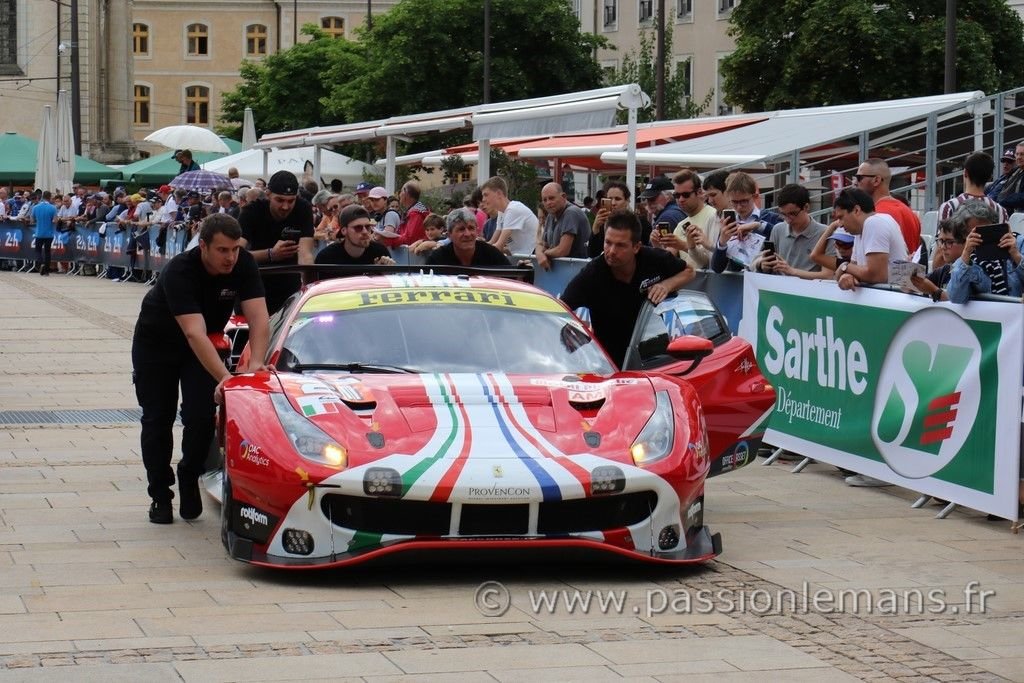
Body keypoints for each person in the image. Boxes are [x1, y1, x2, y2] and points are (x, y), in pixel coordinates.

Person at [131, 213, 270, 524]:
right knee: (157, 419)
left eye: (234, 249)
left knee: (202, 417)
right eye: (222, 250)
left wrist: (257, 362)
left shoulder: (244, 263)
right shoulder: (180, 270)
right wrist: (225, 377)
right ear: (203, 246)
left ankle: (189, 472)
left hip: (204, 344)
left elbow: (259, 318)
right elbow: (193, 332)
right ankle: (160, 495)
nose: (230, 258)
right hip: (157, 345)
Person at [561, 209, 694, 367]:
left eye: (620, 245)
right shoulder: (592, 274)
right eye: (608, 242)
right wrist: (580, 328)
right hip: (611, 363)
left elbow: (689, 271)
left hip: (654, 354)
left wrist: (667, 285)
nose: (611, 251)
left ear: (636, 247)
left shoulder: (654, 259)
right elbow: (560, 308)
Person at [238, 170, 316, 315]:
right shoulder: (251, 211)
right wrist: (270, 254)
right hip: (254, 283)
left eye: (291, 201)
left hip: (289, 285)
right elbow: (235, 254)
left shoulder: (303, 208)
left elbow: (305, 254)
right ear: (268, 194)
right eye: (279, 200)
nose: (285, 207)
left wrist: (310, 292)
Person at [831, 188, 908, 292]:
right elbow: (855, 269)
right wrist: (849, 274)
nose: (839, 224)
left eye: (841, 217)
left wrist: (844, 267)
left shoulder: (874, 223)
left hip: (894, 295)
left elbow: (877, 275)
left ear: (856, 210)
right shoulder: (860, 230)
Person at [947, 201, 1024, 303]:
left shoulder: (1019, 242)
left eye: (986, 230)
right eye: (975, 233)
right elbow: (956, 298)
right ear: (964, 235)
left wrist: (1016, 255)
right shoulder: (967, 261)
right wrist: (966, 255)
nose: (982, 237)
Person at [752, 184, 831, 277]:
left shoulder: (825, 233)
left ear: (806, 207)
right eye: (783, 214)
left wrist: (793, 271)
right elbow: (759, 263)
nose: (788, 220)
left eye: (793, 214)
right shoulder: (778, 229)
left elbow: (828, 275)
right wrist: (764, 265)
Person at [853, 158, 922, 258]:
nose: (855, 182)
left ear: (876, 180)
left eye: (859, 178)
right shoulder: (909, 212)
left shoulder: (875, 216)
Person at [651, 169, 719, 268]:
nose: (681, 199)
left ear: (699, 192)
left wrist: (683, 245)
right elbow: (667, 259)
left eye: (686, 195)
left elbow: (710, 261)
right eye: (677, 195)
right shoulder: (681, 225)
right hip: (689, 277)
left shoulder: (713, 216)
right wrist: (657, 245)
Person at [426, 208, 510, 267]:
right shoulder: (437, 259)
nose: (467, 234)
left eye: (471, 228)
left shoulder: (492, 254)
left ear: (477, 231)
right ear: (449, 235)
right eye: (461, 229)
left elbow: (513, 280)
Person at [314, 205, 396, 265]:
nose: (365, 231)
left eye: (368, 227)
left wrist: (385, 272)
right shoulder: (327, 257)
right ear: (344, 231)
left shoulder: (380, 252)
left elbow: (390, 281)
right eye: (358, 228)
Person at [535, 181, 591, 269]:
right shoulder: (550, 216)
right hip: (562, 270)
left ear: (563, 197)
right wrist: (539, 253)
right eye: (545, 200)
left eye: (551, 198)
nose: (548, 202)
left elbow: (562, 250)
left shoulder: (571, 213)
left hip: (577, 269)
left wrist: (544, 253)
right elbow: (541, 244)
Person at [482, 176, 538, 256]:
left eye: (486, 195)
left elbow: (499, 246)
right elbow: (492, 242)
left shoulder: (513, 209)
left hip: (534, 256)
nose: (483, 199)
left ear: (499, 193)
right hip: (522, 256)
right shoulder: (502, 212)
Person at [910, 219, 963, 302]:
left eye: (949, 242)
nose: (943, 247)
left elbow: (958, 301)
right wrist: (909, 271)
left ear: (965, 243)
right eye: (941, 241)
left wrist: (934, 291)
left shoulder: (970, 273)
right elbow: (908, 287)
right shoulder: (945, 270)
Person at [588, 181, 633, 257]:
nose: (613, 203)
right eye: (610, 199)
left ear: (627, 201)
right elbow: (592, 254)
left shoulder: (637, 223)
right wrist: (596, 228)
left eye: (618, 199)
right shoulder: (603, 223)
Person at [640, 175, 685, 242]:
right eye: (646, 198)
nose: (648, 202)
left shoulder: (666, 218)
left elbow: (662, 247)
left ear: (668, 196)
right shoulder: (678, 210)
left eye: (652, 198)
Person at [393, 181, 431, 246]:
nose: (399, 195)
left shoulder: (415, 214)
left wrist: (390, 241)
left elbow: (409, 239)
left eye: (401, 191)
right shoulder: (418, 210)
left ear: (405, 193)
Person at [30, 190, 58, 276]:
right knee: (47, 251)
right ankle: (46, 270)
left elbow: (32, 220)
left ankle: (41, 263)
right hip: (49, 233)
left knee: (38, 250)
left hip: (39, 233)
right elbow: (55, 221)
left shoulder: (35, 207)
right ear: (50, 197)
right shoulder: (53, 208)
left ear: (42, 196)